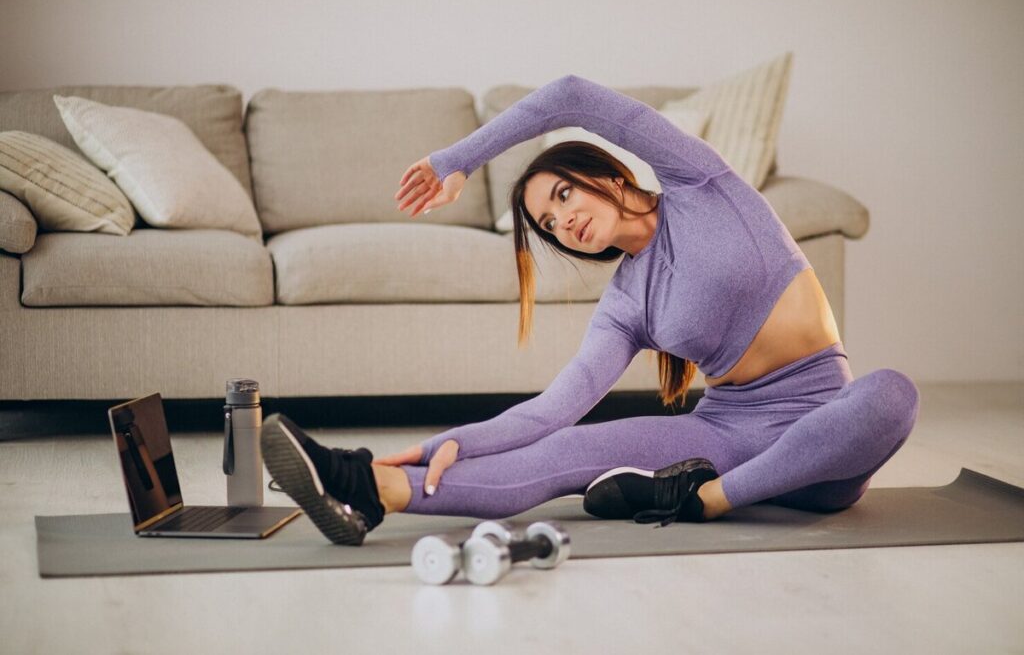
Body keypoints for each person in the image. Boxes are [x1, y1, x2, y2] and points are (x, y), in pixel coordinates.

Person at [260, 74, 921, 546]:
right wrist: (441, 445)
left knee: (891, 394)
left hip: (825, 441)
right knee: (567, 448)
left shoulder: (703, 185)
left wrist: (457, 160)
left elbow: (570, 94)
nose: (562, 220)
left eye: (564, 194)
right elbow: (550, 411)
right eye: (548, 221)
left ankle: (705, 502)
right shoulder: (624, 302)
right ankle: (363, 486)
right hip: (724, 435)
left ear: (606, 176)